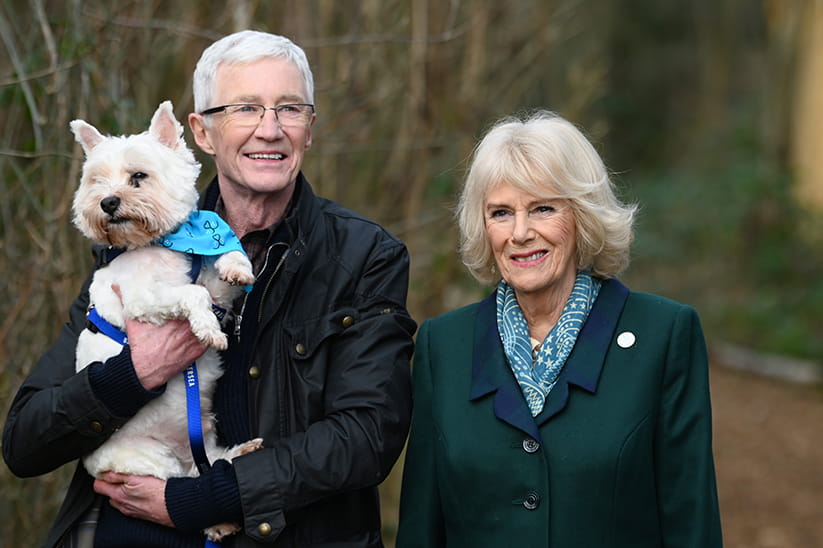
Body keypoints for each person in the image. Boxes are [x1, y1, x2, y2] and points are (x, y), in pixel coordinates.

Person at [3, 30, 416, 547]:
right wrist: (134, 374)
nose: (270, 129)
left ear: (309, 128)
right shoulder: (132, 245)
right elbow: (25, 442)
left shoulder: (363, 256)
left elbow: (367, 436)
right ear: (201, 132)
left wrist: (199, 500)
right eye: (246, 108)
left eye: (289, 109)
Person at [395, 111, 722, 547]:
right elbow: (421, 528)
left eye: (543, 208)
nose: (521, 232)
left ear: (582, 216)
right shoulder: (443, 347)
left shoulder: (664, 336)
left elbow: (692, 524)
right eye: (501, 213)